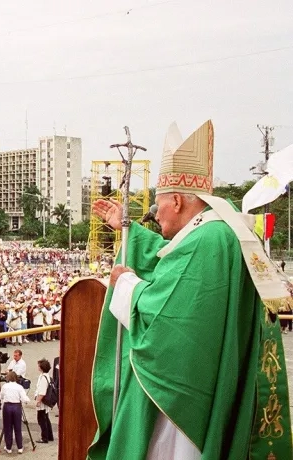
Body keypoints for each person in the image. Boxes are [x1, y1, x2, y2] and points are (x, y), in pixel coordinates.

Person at [90, 120, 292, 458]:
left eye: (159, 204)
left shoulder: (207, 239)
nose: (156, 214)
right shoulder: (218, 231)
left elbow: (168, 313)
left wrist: (125, 284)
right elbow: (175, 266)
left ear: (179, 202)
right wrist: (128, 229)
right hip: (213, 374)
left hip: (185, 397)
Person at [0, 371, 31, 454]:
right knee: (18, 427)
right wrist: (27, 401)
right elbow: (24, 398)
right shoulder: (19, 387)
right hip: (16, 407)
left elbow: (1, 396)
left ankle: (8, 447)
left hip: (7, 406)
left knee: (7, 427)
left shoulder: (5, 386)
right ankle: (20, 447)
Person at [34, 358, 54, 444]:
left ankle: (44, 437)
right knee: (46, 418)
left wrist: (38, 401)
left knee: (41, 419)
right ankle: (50, 435)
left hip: (42, 401)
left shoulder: (43, 378)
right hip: (46, 401)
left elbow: (42, 392)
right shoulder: (47, 376)